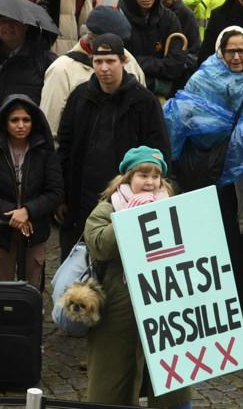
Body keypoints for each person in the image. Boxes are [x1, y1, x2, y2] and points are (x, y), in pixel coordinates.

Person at [165, 25, 243, 306]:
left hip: (242, 178)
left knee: (238, 236)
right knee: (205, 234)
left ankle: (236, 295)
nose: (237, 56)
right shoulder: (201, 79)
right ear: (221, 51)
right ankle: (207, 295)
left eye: (242, 50)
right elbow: (183, 119)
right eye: (231, 50)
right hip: (206, 171)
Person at [82, 146, 191, 409]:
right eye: (143, 174)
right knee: (113, 379)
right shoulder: (107, 209)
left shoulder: (174, 207)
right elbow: (99, 246)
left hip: (167, 304)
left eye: (155, 176)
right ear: (128, 177)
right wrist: (130, 218)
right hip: (119, 307)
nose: (150, 181)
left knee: (171, 382)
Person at [56, 34, 168, 257]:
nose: (104, 68)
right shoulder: (79, 97)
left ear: (123, 60)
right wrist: (61, 196)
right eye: (98, 62)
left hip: (128, 200)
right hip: (80, 199)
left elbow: (159, 153)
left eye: (110, 61)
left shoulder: (144, 101)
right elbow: (65, 148)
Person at [0, 94, 62, 288]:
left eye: (26, 120)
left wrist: (27, 211)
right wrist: (14, 213)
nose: (21, 125)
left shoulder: (44, 150)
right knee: (1, 292)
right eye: (14, 120)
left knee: (32, 289)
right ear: (5, 122)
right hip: (0, 232)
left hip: (34, 231)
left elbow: (55, 192)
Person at [38, 7, 147, 141]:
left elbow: (143, 107)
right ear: (91, 38)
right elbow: (50, 127)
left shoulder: (128, 60)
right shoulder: (62, 70)